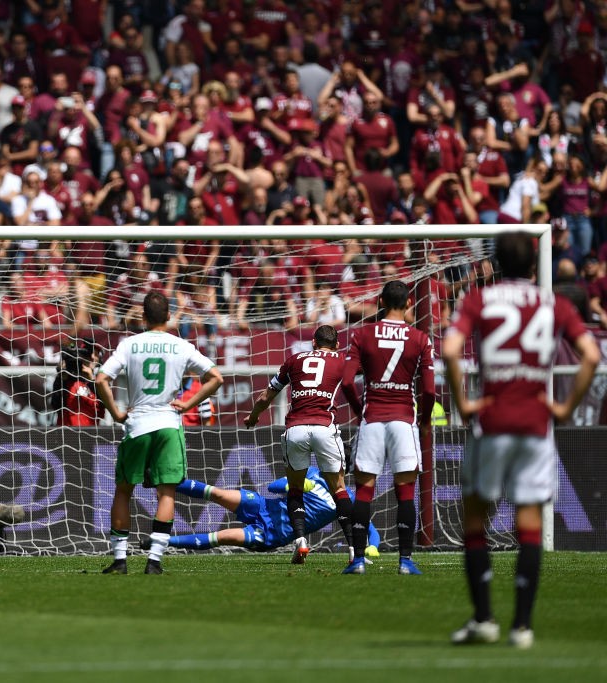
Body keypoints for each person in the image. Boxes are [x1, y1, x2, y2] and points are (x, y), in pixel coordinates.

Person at [442, 232, 600, 649]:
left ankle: (484, 619)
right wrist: (564, 409)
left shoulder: (479, 299)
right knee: (528, 523)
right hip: (535, 425)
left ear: (495, 264)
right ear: (534, 265)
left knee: (475, 519)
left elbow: (451, 349)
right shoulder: (554, 303)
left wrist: (463, 402)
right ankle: (523, 627)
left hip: (492, 422)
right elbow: (591, 355)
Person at [94, 291, 224, 574]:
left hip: (138, 423)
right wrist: (188, 403)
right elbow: (216, 377)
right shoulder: (181, 345)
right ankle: (154, 561)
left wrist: (116, 412)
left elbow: (101, 379)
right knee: (166, 493)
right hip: (168, 423)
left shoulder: (130, 344)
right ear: (169, 316)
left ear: (143, 316)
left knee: (123, 491)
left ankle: (120, 560)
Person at [341, 280, 435, 575]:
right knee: (405, 491)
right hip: (403, 420)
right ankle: (405, 561)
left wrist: (359, 411)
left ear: (380, 302)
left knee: (364, 491)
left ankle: (358, 560)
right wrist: (425, 421)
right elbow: (429, 390)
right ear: (409, 304)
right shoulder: (420, 339)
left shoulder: (362, 334)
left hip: (372, 419)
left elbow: (346, 382)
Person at [243, 324, 355, 564]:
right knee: (339, 489)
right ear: (337, 345)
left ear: (313, 342)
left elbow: (266, 396)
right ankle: (354, 550)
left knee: (295, 489)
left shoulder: (294, 360)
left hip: (296, 429)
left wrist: (253, 417)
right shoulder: (342, 360)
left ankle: (301, 542)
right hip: (325, 427)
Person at [159, 467, 380, 556]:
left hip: (273, 534)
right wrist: (295, 485)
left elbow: (369, 528)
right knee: (217, 493)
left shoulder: (348, 499)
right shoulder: (312, 472)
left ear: (343, 469)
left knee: (222, 536)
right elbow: (273, 487)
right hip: (263, 506)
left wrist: (373, 547)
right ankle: (163, 479)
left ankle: (161, 542)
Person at [54, 339, 101, 427]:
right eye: (87, 355)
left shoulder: (101, 381)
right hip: (66, 432)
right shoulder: (66, 379)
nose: (92, 357)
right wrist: (61, 379)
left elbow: (104, 407)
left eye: (96, 354)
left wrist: (91, 380)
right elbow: (56, 405)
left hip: (91, 432)